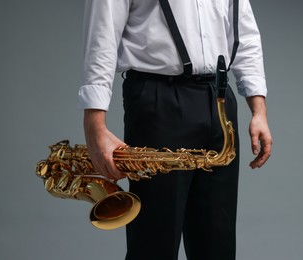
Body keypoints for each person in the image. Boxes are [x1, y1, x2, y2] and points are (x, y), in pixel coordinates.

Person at [78, 0, 272, 259]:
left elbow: (245, 35)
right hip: (159, 98)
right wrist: (94, 124)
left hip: (220, 100)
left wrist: (258, 110)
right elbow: (101, 37)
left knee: (218, 242)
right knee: (154, 241)